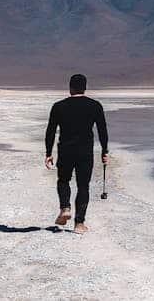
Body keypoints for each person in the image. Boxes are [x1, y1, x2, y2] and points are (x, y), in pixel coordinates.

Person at [44, 73, 109, 234]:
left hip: (66, 151)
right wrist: (104, 151)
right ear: (85, 88)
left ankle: (65, 207)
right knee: (83, 186)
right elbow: (102, 131)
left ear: (70, 87)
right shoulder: (95, 106)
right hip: (85, 152)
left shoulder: (59, 106)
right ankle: (79, 224)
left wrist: (48, 153)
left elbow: (50, 131)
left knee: (63, 180)